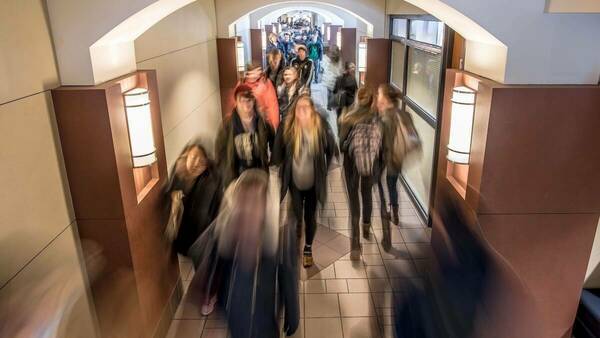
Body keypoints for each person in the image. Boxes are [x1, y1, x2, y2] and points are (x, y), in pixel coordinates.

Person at [188, 169, 300, 338]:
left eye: (255, 201)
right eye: (243, 200)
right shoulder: (225, 234)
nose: (248, 208)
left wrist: (293, 313)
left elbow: (289, 278)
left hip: (267, 322)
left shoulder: (281, 239)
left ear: (266, 205)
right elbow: (208, 263)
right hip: (235, 317)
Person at [271, 94, 337, 267]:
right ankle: (296, 232)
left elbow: (331, 148)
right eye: (298, 108)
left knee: (310, 217)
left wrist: (325, 168)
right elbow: (277, 153)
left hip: (314, 183)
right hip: (294, 182)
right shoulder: (287, 126)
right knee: (296, 214)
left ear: (312, 110)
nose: (302, 111)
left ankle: (308, 248)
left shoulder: (320, 126)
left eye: (306, 107)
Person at [339, 86, 388, 257]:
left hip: (352, 166)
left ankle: (355, 245)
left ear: (357, 101)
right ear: (371, 101)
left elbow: (341, 145)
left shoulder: (349, 118)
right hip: (371, 165)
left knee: (354, 202)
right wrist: (379, 169)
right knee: (366, 195)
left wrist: (349, 144)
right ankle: (366, 227)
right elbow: (383, 149)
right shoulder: (378, 120)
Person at [165, 143, 223, 257]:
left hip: (203, 240)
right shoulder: (177, 173)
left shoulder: (212, 180)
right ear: (187, 155)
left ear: (206, 165)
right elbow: (165, 195)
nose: (196, 164)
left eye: (201, 161)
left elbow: (213, 212)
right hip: (182, 241)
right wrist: (173, 199)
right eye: (193, 158)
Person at [215, 85, 275, 188]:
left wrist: (272, 162)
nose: (246, 104)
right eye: (242, 101)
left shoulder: (262, 122)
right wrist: (227, 178)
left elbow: (274, 142)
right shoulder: (228, 125)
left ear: (253, 101)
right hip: (237, 176)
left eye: (249, 100)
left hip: (259, 173)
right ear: (236, 102)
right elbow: (220, 154)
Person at [376, 84, 420, 225]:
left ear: (386, 98)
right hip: (400, 157)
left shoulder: (386, 118)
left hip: (388, 158)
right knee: (392, 184)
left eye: (380, 94)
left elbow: (382, 143)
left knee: (383, 183)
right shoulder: (405, 115)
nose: (378, 97)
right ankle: (395, 214)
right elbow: (413, 137)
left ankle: (389, 212)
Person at [237, 62, 280, 130]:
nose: (259, 72)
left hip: (263, 122)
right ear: (249, 73)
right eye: (256, 71)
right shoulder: (241, 84)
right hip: (245, 122)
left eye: (259, 70)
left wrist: (274, 124)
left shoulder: (266, 83)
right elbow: (236, 103)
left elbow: (272, 105)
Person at [321, 46, 344, 110]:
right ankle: (331, 105)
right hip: (333, 80)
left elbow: (325, 68)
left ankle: (330, 105)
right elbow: (339, 71)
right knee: (333, 93)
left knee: (330, 93)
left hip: (330, 80)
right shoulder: (338, 60)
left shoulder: (328, 59)